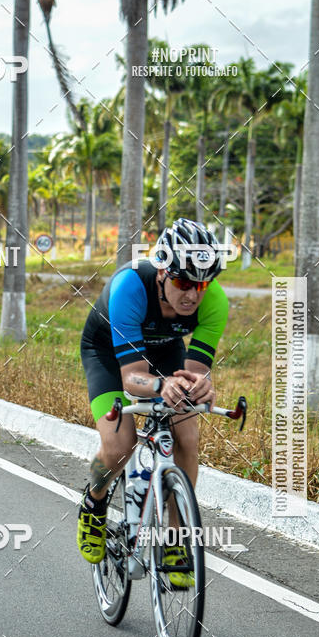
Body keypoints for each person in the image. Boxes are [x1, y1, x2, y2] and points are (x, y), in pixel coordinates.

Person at [77, 218, 229, 588]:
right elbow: (132, 379)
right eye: (182, 282)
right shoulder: (131, 285)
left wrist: (199, 387)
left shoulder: (215, 303)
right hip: (109, 357)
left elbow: (192, 376)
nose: (192, 294)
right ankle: (93, 503)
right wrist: (162, 386)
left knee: (188, 436)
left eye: (202, 284)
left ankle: (175, 538)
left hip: (164, 352)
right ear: (162, 270)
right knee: (120, 444)